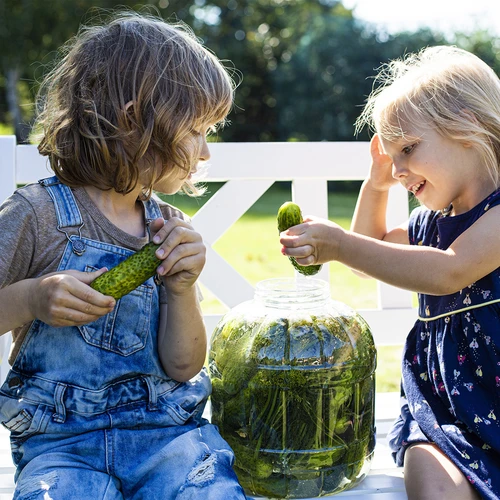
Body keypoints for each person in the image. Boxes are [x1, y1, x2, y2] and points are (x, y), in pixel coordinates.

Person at [0, 11, 247, 499]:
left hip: (167, 439)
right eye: (198, 130)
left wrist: (181, 290)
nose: (205, 153)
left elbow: (182, 367)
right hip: (62, 448)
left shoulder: (169, 228)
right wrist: (31, 299)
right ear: (134, 119)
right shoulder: (37, 214)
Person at [280, 45, 500, 500]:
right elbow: (373, 255)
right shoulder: (429, 225)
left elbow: (449, 272)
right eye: (391, 155)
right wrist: (376, 182)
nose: (399, 169)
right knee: (431, 482)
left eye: (409, 148)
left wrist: (338, 244)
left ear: (468, 126)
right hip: (446, 415)